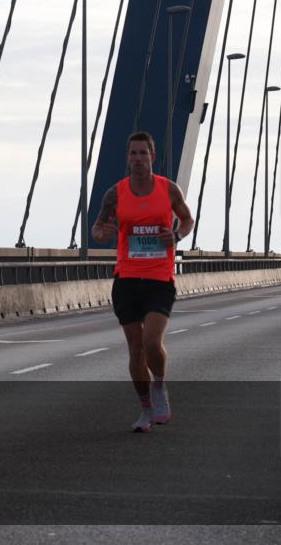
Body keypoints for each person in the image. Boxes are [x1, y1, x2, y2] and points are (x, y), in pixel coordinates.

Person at [92, 131, 194, 433]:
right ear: (127, 158)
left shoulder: (168, 189)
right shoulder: (116, 193)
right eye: (133, 154)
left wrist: (175, 235)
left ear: (152, 156)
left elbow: (187, 219)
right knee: (135, 350)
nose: (138, 159)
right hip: (126, 280)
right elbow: (98, 228)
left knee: (152, 343)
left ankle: (159, 386)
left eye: (143, 154)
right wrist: (103, 233)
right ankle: (145, 410)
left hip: (159, 278)